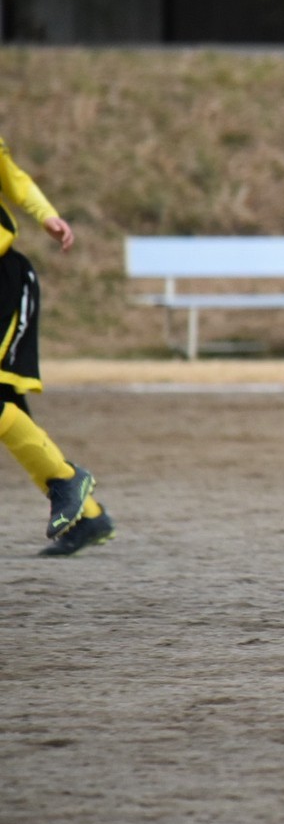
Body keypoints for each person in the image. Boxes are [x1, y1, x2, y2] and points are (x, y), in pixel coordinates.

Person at [0, 136, 112, 556]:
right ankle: (89, 516)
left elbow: (13, 179)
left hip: (4, 282)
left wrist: (46, 216)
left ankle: (67, 484)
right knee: (7, 406)